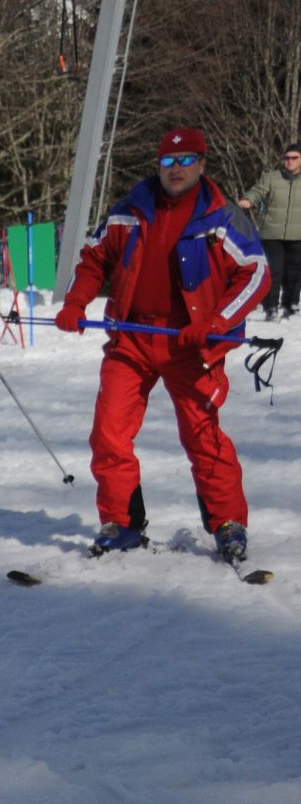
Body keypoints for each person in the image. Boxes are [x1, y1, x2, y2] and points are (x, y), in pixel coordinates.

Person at [57, 126, 267, 563]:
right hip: (132, 338)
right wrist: (76, 301)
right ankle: (122, 523)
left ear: (202, 164)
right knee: (109, 432)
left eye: (186, 160)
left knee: (202, 435)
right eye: (168, 162)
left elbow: (257, 273)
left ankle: (228, 523)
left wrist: (215, 321)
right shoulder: (131, 208)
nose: (176, 169)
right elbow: (95, 257)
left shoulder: (222, 216)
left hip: (191, 345)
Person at [237, 143, 301, 321]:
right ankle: (271, 307)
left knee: (294, 271)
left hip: (298, 234)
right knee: (274, 270)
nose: (289, 161)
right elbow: (258, 191)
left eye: (294, 158)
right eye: (287, 158)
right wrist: (248, 199)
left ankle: (291, 305)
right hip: (271, 232)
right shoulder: (271, 178)